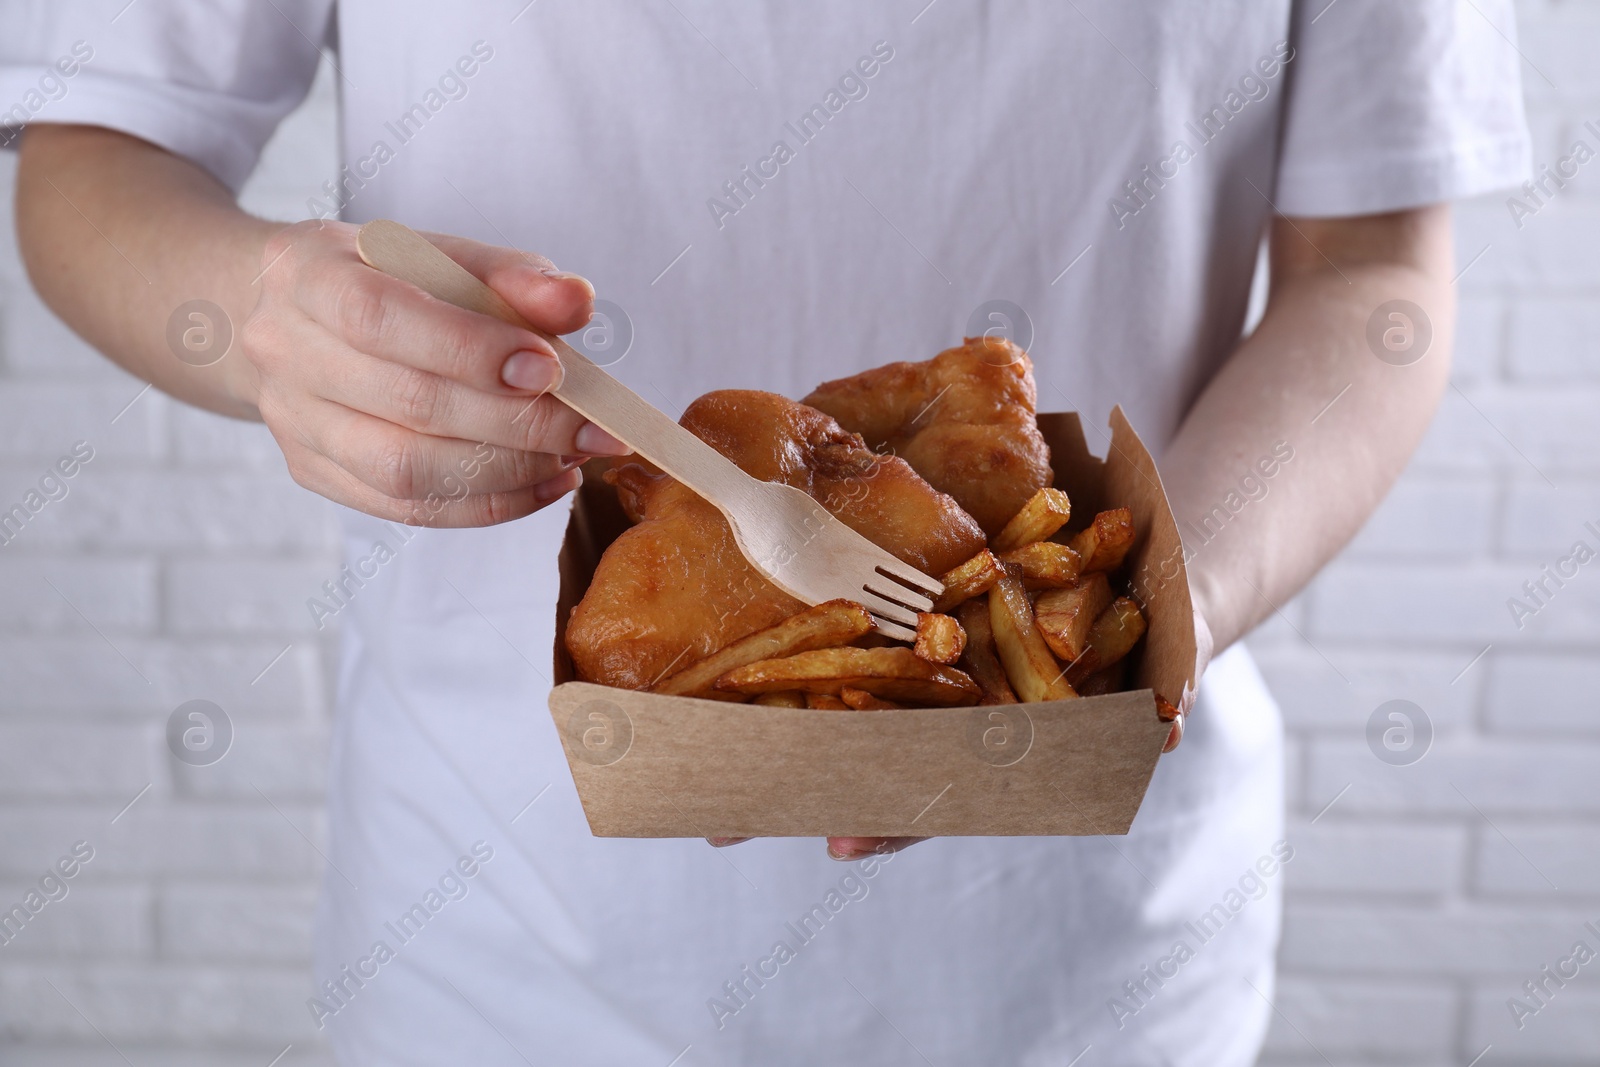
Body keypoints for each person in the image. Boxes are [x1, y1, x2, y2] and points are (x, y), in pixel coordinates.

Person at [3, 2, 1527, 1063]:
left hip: (1102, 955)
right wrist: (271, 326)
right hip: (498, 952)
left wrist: (1165, 612)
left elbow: (1373, 270)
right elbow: (88, 153)